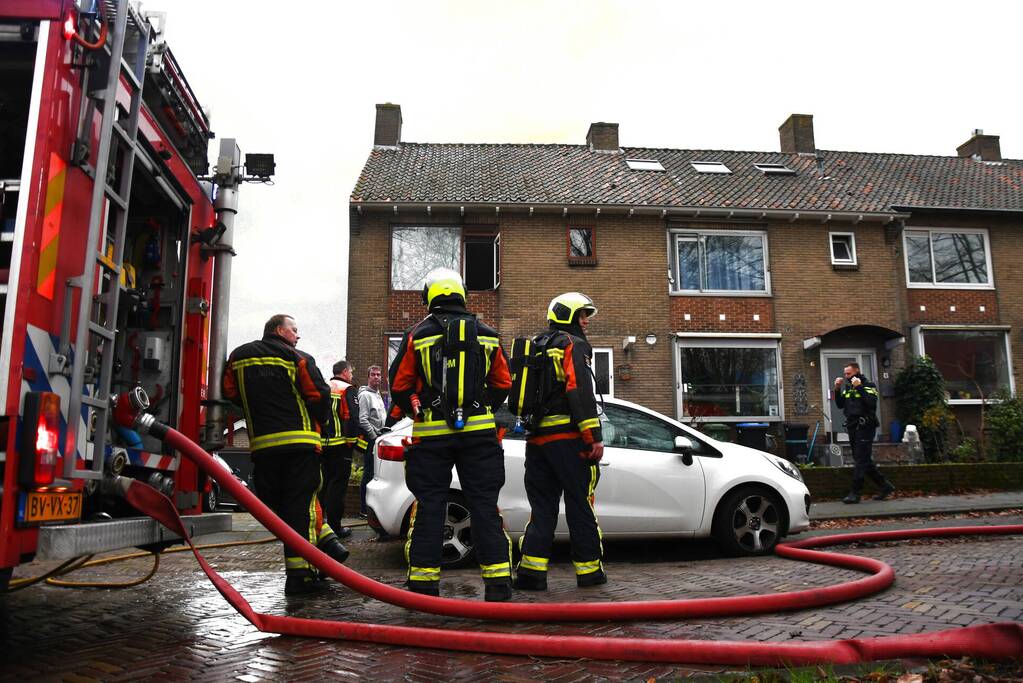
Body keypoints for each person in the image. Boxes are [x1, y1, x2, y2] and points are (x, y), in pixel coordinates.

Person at [388, 267, 514, 601]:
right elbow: (503, 382)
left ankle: (423, 585)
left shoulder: (418, 334)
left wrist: (421, 406)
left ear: (429, 296)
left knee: (431, 505)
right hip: (480, 437)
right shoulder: (488, 333)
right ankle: (499, 585)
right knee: (484, 506)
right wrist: (480, 405)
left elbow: (399, 385)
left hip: (431, 437)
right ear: (461, 294)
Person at [223, 314, 350, 595]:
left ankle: (325, 543)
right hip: (300, 445)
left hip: (263, 448)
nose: (298, 335)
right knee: (300, 507)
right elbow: (319, 396)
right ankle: (301, 576)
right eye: (294, 330)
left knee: (279, 507)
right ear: (279, 330)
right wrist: (320, 423)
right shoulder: (298, 358)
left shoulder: (238, 356)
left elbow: (230, 392)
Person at [514, 292, 607, 591]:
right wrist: (593, 437)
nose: (585, 323)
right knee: (580, 504)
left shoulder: (539, 345)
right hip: (568, 439)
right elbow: (579, 391)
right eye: (582, 316)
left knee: (542, 508)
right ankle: (590, 572)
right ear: (567, 315)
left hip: (536, 440)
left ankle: (531, 573)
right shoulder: (572, 345)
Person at [834, 362, 896, 504]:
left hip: (865, 425)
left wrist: (860, 387)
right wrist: (837, 389)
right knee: (862, 460)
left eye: (848, 374)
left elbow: (871, 404)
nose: (846, 376)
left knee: (861, 459)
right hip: (852, 426)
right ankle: (886, 486)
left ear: (856, 372)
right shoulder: (848, 387)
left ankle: (855, 493)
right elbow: (839, 404)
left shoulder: (869, 385)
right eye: (845, 374)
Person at [319, 360, 358, 539]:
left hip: (322, 445)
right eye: (350, 372)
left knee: (323, 485)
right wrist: (352, 443)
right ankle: (335, 527)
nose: (352, 376)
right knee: (338, 488)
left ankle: (320, 524)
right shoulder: (347, 389)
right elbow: (352, 417)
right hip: (341, 446)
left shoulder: (324, 386)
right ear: (344, 372)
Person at [357, 365, 386, 517]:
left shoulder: (377, 394)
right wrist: (374, 437)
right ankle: (363, 509)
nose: (376, 377)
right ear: (368, 377)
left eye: (378, 375)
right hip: (371, 440)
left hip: (379, 439)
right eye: (373, 375)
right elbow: (363, 420)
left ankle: (371, 509)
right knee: (368, 473)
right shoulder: (365, 395)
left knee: (375, 473)